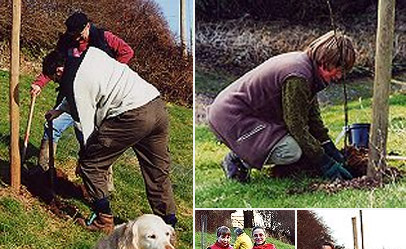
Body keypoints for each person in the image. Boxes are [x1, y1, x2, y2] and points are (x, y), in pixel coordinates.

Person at [42, 47, 176, 233]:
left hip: (133, 115)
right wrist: (60, 110)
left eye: (55, 79)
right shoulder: (92, 58)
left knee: (91, 163)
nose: (58, 82)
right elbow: (85, 93)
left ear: (59, 70)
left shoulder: (77, 81)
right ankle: (168, 225)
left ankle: (103, 220)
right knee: (157, 170)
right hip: (156, 106)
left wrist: (86, 156)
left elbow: (87, 125)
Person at [208, 31, 355, 183]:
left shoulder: (307, 69)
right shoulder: (298, 77)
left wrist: (329, 147)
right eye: (338, 70)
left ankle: (243, 154)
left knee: (300, 143)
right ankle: (238, 160)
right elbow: (296, 126)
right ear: (325, 60)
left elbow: (312, 119)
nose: (338, 77)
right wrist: (325, 162)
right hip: (231, 118)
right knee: (291, 150)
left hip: (245, 114)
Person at [31, 12, 134, 192]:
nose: (77, 38)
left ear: (88, 26)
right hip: (68, 96)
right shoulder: (66, 42)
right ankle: (43, 171)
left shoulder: (104, 38)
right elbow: (55, 63)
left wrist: (110, 74)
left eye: (80, 34)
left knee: (91, 140)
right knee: (52, 125)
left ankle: (104, 184)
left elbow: (127, 52)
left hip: (94, 99)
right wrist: (40, 83)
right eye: (74, 35)